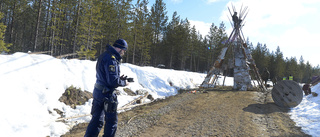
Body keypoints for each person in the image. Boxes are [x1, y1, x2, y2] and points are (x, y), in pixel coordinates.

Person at [85, 39, 129, 137]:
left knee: (96, 120)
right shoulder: (111, 59)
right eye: (123, 50)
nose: (124, 53)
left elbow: (105, 75)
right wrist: (124, 82)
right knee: (111, 122)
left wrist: (118, 78)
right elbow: (112, 82)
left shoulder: (104, 55)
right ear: (120, 48)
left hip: (98, 91)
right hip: (107, 94)